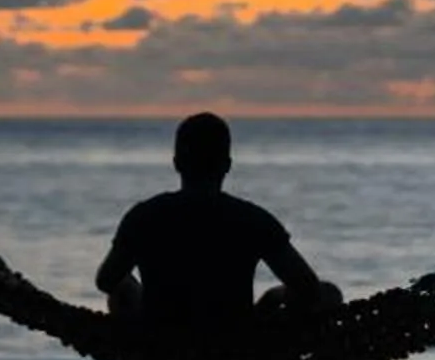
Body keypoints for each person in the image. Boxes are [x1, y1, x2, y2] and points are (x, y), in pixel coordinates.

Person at [95, 113, 341, 334]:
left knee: (122, 284)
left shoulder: (144, 216)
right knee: (329, 294)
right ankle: (275, 346)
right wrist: (272, 298)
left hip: (162, 344)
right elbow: (307, 288)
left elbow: (105, 281)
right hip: (233, 345)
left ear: (176, 163)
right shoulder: (253, 219)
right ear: (227, 166)